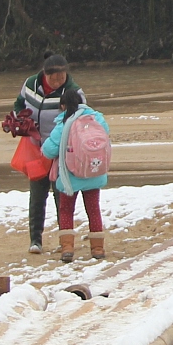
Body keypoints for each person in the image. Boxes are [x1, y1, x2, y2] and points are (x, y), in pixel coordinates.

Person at [13, 54, 80, 254]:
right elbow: (19, 104)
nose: (59, 81)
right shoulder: (31, 84)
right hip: (36, 148)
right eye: (54, 78)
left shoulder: (72, 91)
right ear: (45, 74)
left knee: (62, 196)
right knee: (37, 194)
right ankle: (36, 240)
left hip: (61, 152)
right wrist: (20, 121)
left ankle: (64, 240)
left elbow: (80, 117)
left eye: (62, 77)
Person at [38, 87, 109, 262]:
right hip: (94, 171)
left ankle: (67, 248)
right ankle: (98, 249)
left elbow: (49, 150)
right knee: (93, 209)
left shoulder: (64, 124)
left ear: (63, 105)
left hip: (70, 175)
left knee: (66, 210)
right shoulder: (97, 118)